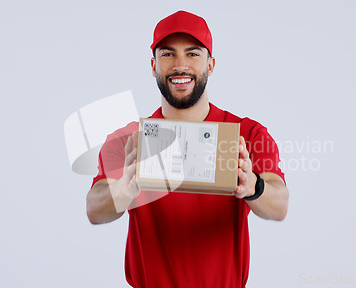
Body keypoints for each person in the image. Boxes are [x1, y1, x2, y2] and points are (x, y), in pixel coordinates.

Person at [86, 10, 289, 288]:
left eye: (192, 54)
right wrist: (122, 190)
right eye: (168, 54)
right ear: (153, 65)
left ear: (211, 63)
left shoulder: (247, 134)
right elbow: (94, 210)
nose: (180, 65)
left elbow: (279, 206)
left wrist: (253, 186)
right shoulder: (128, 140)